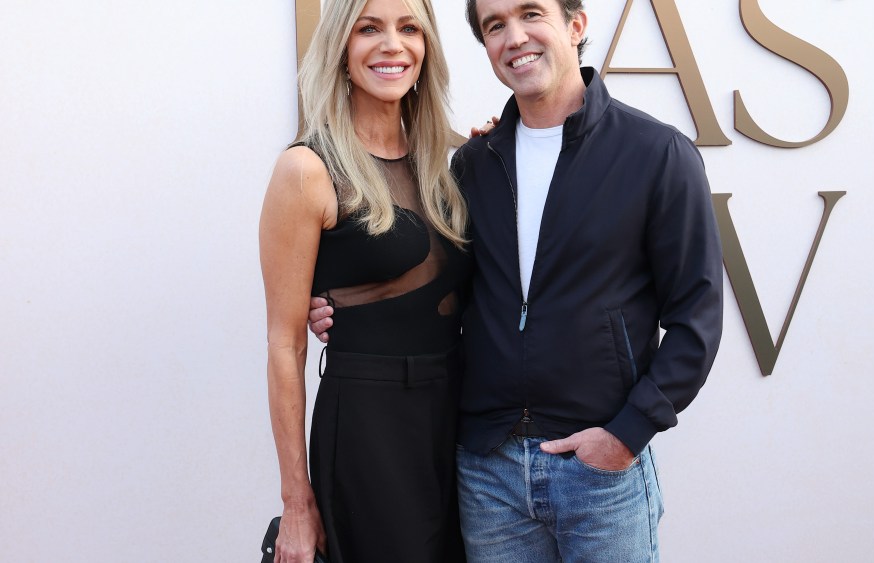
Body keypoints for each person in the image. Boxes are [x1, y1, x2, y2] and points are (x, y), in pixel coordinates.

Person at [311, 0, 724, 560]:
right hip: (488, 473)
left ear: (575, 26)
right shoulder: (473, 164)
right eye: (495, 25)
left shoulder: (657, 154)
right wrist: (347, 304)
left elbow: (697, 317)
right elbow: (442, 289)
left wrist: (627, 434)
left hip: (599, 473)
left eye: (531, 14)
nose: (515, 37)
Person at [258, 0, 470, 561]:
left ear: (426, 49)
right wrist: (296, 502)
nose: (392, 44)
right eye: (368, 28)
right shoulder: (307, 170)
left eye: (409, 28)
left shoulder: (447, 168)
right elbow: (284, 345)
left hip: (459, 418)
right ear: (340, 48)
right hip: (370, 426)